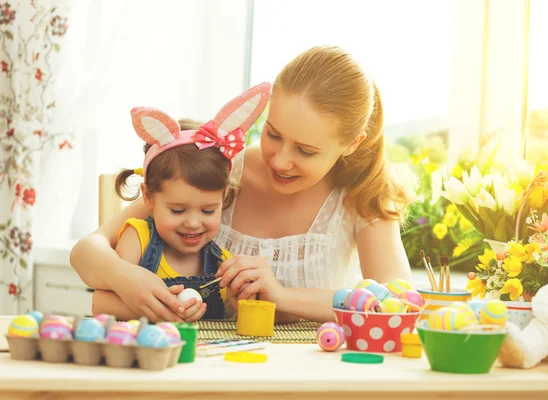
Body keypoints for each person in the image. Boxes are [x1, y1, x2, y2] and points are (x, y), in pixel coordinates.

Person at [71, 45, 412, 324]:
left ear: (352, 143)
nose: (279, 160)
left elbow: (399, 302)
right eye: (273, 134)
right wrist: (123, 277)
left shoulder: (363, 194)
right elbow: (87, 251)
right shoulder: (219, 170)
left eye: (305, 151)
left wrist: (283, 296)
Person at [90, 83, 271, 322]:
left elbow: (230, 316)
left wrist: (238, 304)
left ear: (224, 198)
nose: (193, 223)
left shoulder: (222, 262)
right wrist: (159, 313)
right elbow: (100, 304)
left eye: (208, 210)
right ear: (149, 198)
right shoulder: (138, 239)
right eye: (177, 210)